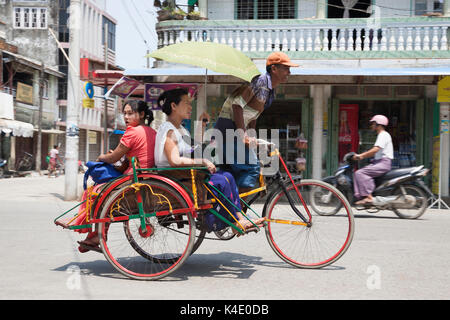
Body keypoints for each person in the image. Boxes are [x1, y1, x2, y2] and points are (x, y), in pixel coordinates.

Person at [155, 88, 265, 232]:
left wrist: (202, 125)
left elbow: (193, 149)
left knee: (228, 176)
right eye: (187, 103)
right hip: (176, 177)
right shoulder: (169, 130)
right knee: (223, 181)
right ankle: (237, 221)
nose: (190, 107)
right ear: (174, 106)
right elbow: (174, 160)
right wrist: (203, 161)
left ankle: (240, 219)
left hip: (186, 176)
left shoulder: (180, 129)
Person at [64, 100, 156, 252]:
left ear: (141, 115)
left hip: (134, 178)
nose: (126, 117)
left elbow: (114, 158)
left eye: (130, 113)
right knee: (102, 191)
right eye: (124, 113)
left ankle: (97, 235)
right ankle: (96, 234)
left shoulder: (132, 132)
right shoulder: (152, 131)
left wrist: (101, 157)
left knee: (97, 192)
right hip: (147, 176)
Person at [213, 51, 298, 190]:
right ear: (274, 69)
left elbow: (253, 116)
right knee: (252, 168)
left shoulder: (271, 90)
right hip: (228, 130)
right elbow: (237, 105)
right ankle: (235, 209)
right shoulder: (260, 81)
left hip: (233, 132)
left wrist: (252, 139)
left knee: (235, 174)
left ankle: (229, 207)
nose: (289, 72)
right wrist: (243, 136)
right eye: (286, 68)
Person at [352, 115, 394, 205]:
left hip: (383, 163)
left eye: (373, 123)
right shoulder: (382, 135)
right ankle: (364, 195)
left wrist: (361, 156)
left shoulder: (383, 135)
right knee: (360, 172)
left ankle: (369, 197)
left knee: (360, 173)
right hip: (380, 162)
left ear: (378, 124)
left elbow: (375, 150)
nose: (371, 125)